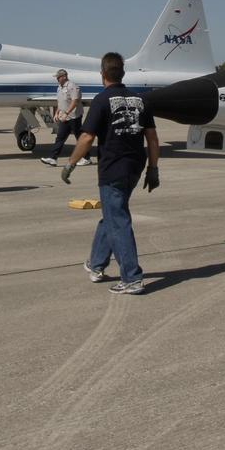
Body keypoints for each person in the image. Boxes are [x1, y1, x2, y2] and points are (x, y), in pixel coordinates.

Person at [61, 52, 160, 295]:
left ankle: (132, 278)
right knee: (112, 214)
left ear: (103, 74)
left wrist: (70, 164)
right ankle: (96, 264)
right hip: (135, 168)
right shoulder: (140, 99)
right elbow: (152, 138)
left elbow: (86, 137)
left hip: (113, 169)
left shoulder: (101, 100)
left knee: (118, 221)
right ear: (122, 73)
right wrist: (153, 169)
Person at [40, 69, 92, 168]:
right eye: (57, 77)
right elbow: (61, 102)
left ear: (64, 77)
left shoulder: (72, 86)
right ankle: (53, 159)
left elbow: (75, 101)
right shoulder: (59, 87)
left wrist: (67, 113)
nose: (57, 79)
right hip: (65, 118)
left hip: (74, 117)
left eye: (58, 77)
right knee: (60, 138)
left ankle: (86, 158)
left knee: (79, 138)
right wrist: (57, 113)